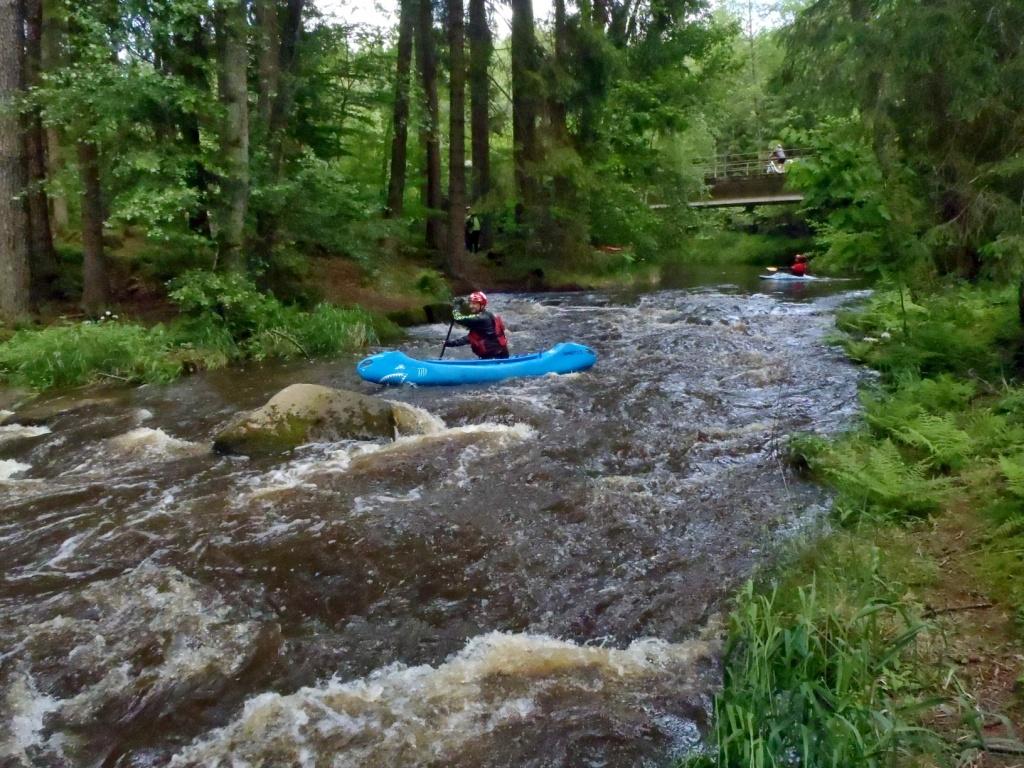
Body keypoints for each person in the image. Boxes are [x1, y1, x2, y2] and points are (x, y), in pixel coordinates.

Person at [443, 291, 509, 359]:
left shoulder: (482, 318)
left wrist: (456, 306)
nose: (471, 306)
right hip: (494, 356)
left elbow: (458, 318)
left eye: (474, 304)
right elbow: (472, 338)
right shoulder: (484, 316)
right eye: (470, 303)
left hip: (495, 358)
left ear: (482, 305)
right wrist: (452, 343)